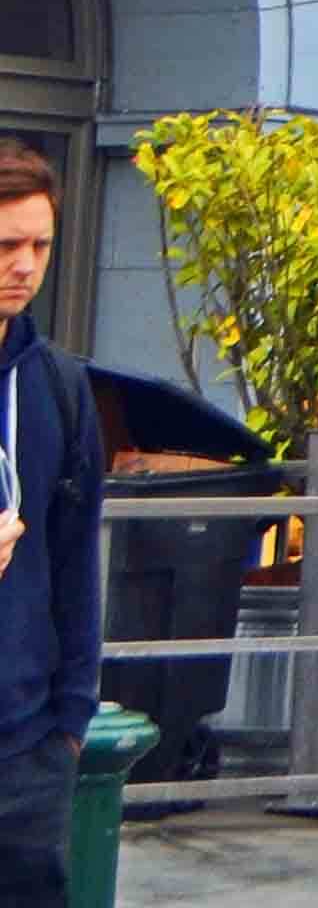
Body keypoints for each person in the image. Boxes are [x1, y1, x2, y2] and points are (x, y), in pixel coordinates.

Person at [0, 143, 102, 907]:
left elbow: (75, 562)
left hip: (28, 748)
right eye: (7, 246)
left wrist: (70, 720)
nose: (25, 265)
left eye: (39, 245)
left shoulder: (58, 386)